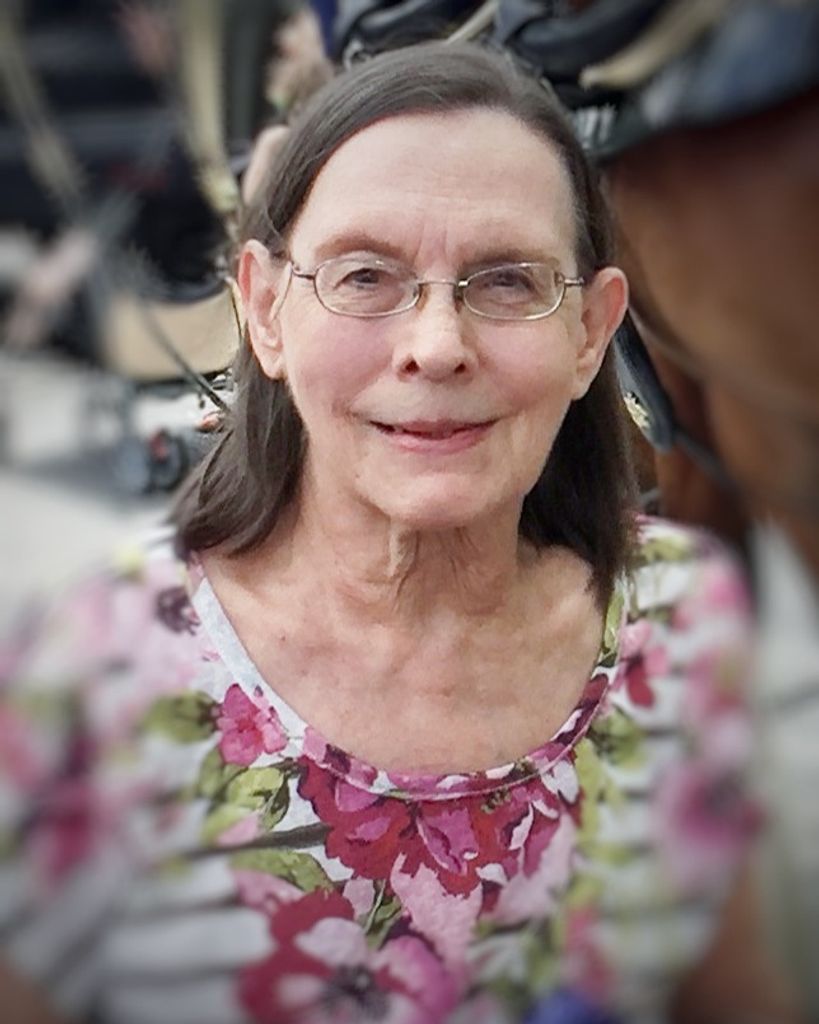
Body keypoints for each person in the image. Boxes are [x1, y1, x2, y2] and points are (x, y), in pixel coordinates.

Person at [0, 42, 785, 1024]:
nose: (437, 347)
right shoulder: (101, 666)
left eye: (507, 281)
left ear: (591, 332)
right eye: (365, 275)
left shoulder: (678, 624)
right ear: (265, 311)